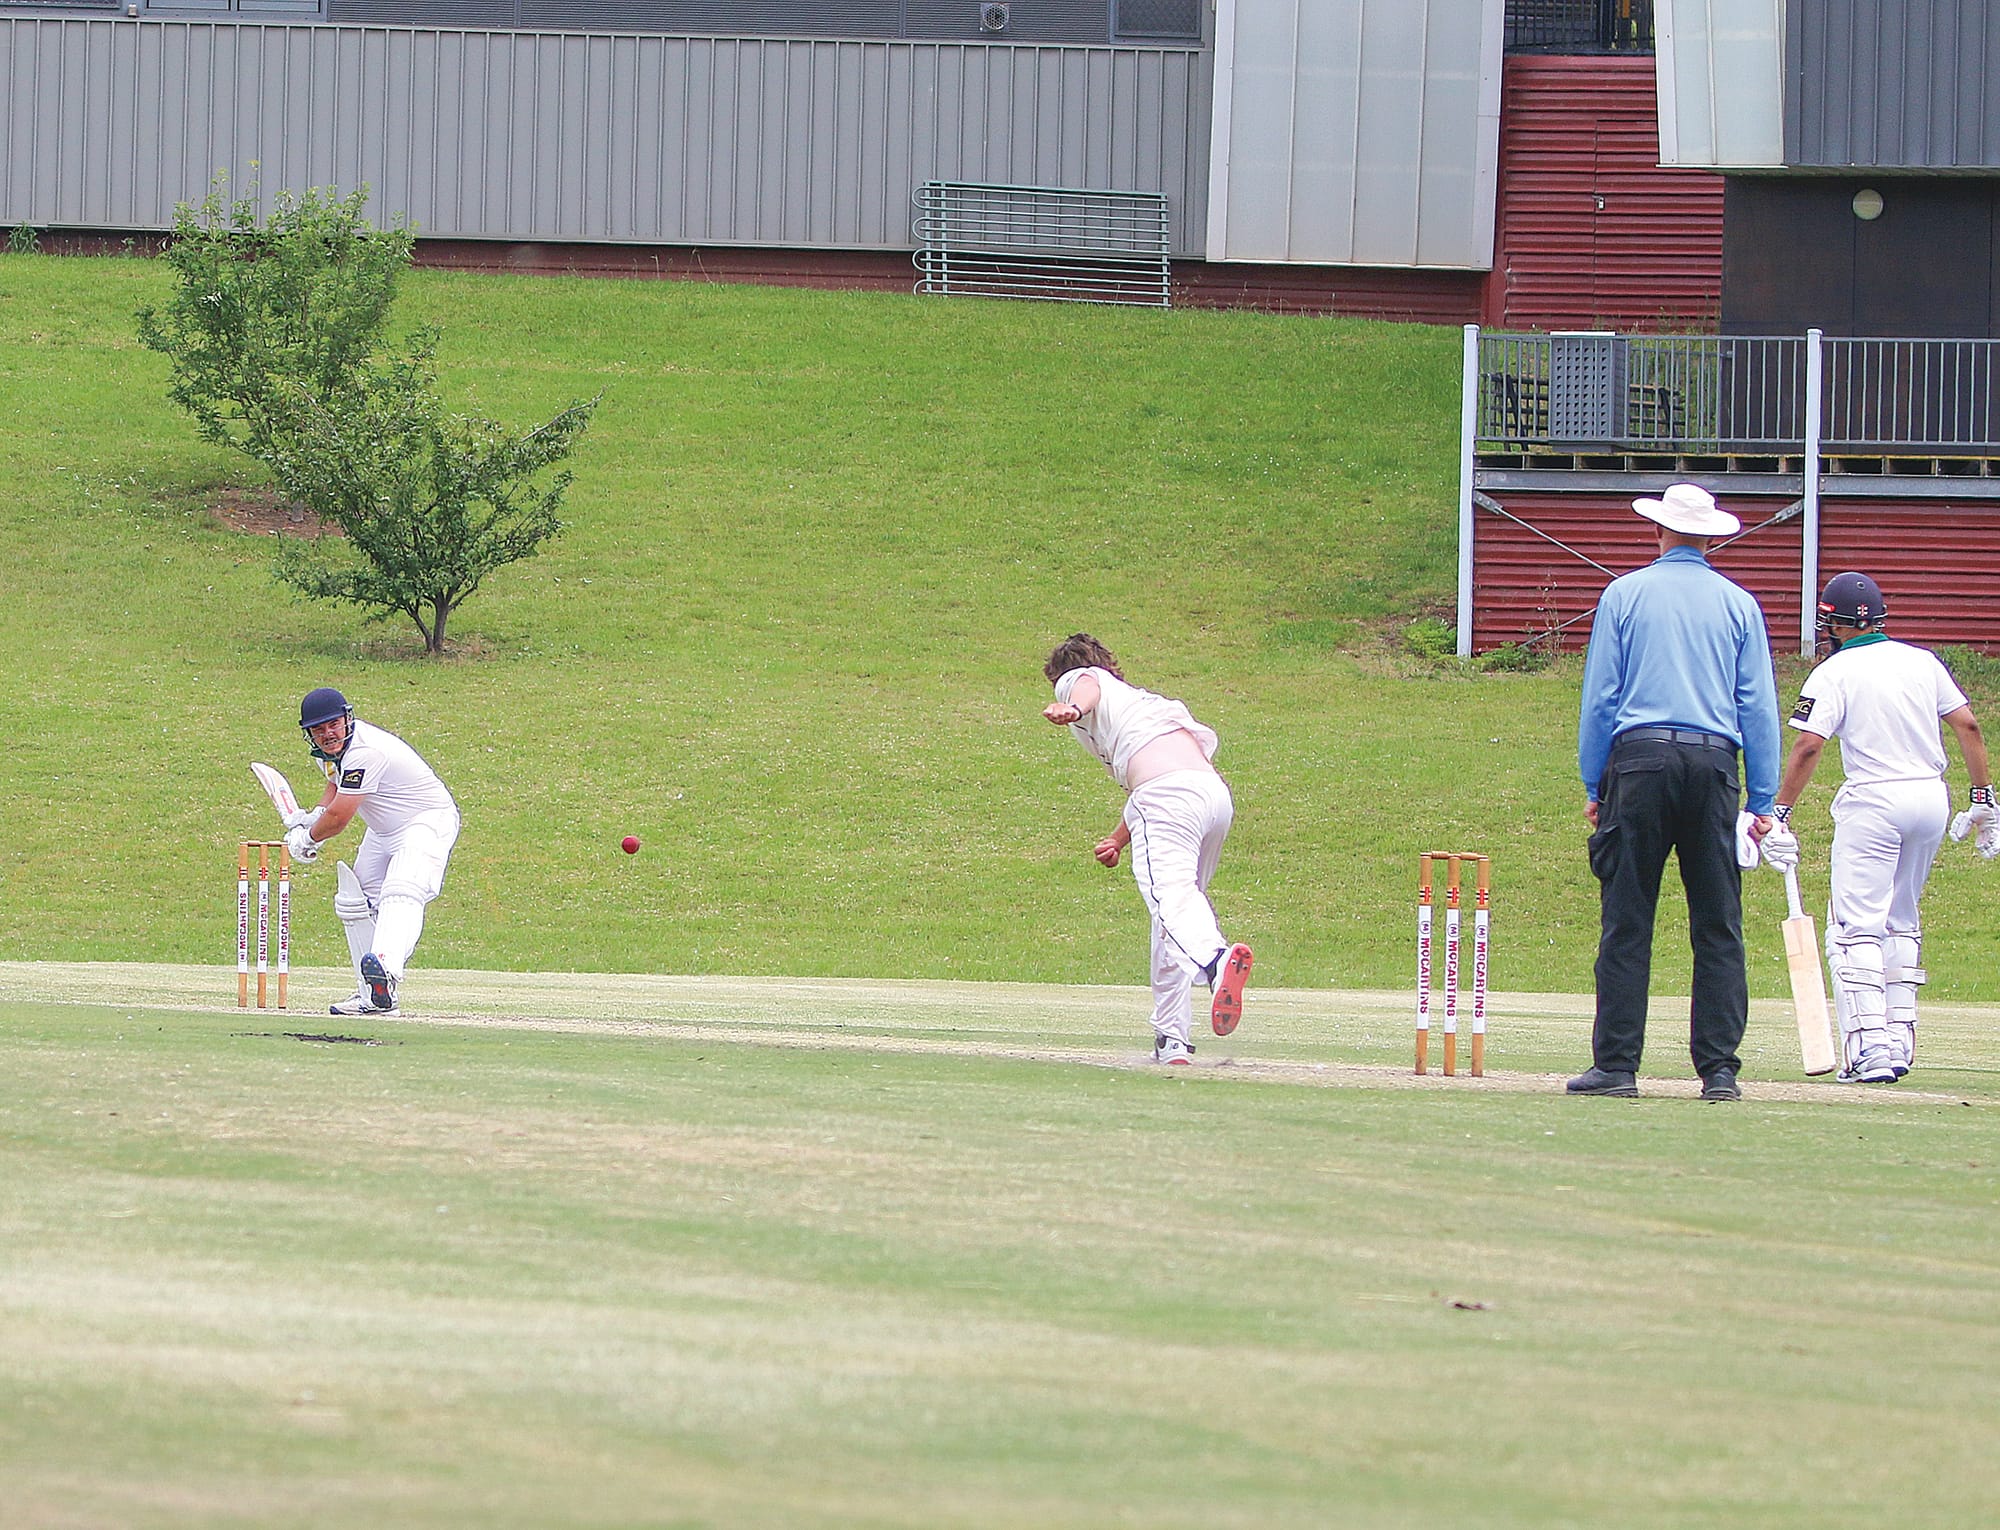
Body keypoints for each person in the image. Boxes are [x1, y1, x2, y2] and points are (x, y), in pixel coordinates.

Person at [1570, 483, 1781, 1101]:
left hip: (1639, 763)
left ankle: (1616, 1065)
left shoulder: (1625, 594)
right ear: (1711, 537)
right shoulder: (1740, 605)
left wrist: (1594, 780)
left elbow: (1603, 696)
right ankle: (1718, 1069)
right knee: (1718, 919)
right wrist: (1762, 800)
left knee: (1628, 916)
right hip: (1713, 763)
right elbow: (1757, 708)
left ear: (1658, 532)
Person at [1757, 572, 1994, 1083]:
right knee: (1901, 919)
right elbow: (1969, 726)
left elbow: (1809, 745)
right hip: (1931, 797)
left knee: (1856, 926)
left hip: (1874, 801)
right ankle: (1901, 1041)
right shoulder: (1922, 661)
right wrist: (1983, 799)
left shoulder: (1834, 671)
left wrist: (1779, 813)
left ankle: (1871, 1051)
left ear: (1836, 624)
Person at [1041, 634, 1253, 1065]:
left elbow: (1087, 685)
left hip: (1168, 797)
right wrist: (1119, 838)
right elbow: (1153, 781)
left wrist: (1072, 707)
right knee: (1171, 916)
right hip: (1210, 797)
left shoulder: (1081, 681)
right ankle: (1172, 1037)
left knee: (1171, 899)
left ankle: (1215, 962)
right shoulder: (1140, 704)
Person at [282, 687, 462, 1016]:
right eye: (319, 730)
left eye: (333, 725)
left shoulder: (366, 751)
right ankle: (373, 995)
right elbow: (336, 786)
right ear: (309, 732)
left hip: (425, 820)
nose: (327, 734)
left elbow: (340, 818)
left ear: (347, 719)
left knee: (402, 888)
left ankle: (385, 969)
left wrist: (308, 838)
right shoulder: (332, 751)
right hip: (383, 830)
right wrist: (315, 816)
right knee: (355, 901)